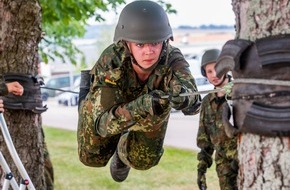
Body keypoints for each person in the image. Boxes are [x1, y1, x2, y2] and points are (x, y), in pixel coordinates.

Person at [77, 0, 201, 183]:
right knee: (92, 158)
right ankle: (105, 126)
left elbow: (194, 103)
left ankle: (122, 151)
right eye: (140, 45)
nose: (149, 52)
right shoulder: (112, 60)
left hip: (148, 112)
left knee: (143, 161)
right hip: (110, 113)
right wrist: (140, 106)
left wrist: (184, 98)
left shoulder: (172, 59)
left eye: (155, 43)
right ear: (127, 44)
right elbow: (102, 125)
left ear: (165, 42)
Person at [196, 49, 238, 190]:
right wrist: (201, 170)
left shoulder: (240, 93)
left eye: (216, 69)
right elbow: (204, 141)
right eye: (209, 72)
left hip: (245, 163)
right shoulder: (207, 102)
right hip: (224, 170)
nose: (214, 75)